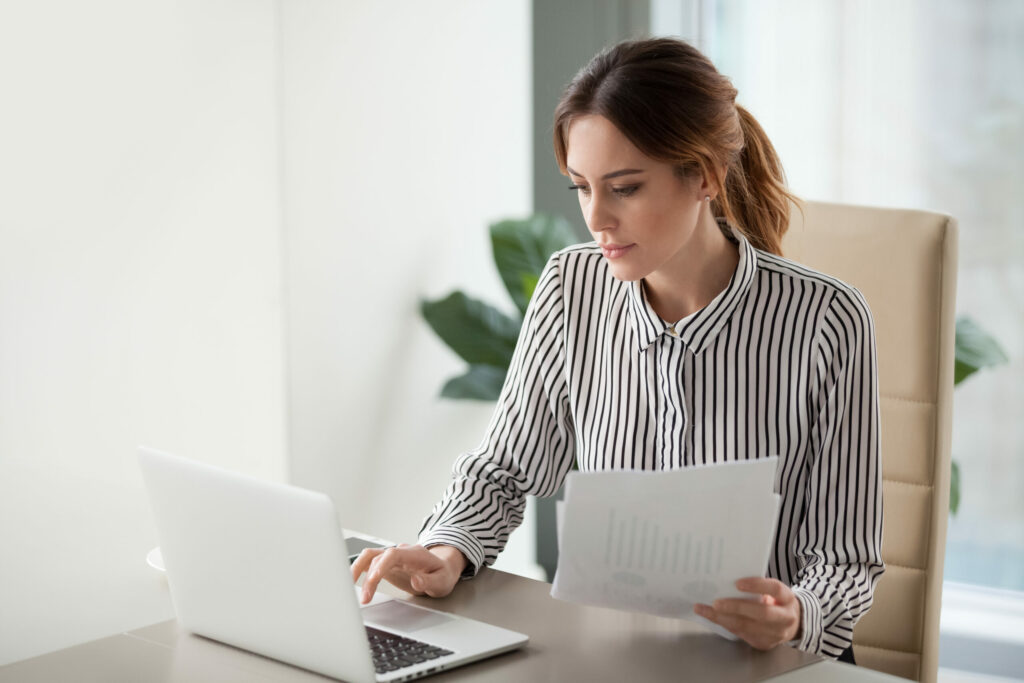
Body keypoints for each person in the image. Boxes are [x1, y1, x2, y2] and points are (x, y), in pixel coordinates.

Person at [352, 37, 883, 663]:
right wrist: (448, 548)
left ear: (705, 176)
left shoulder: (827, 319)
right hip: (609, 658)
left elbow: (845, 560)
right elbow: (504, 470)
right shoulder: (570, 287)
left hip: (769, 665)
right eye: (582, 187)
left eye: (625, 188)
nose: (596, 217)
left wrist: (795, 616)